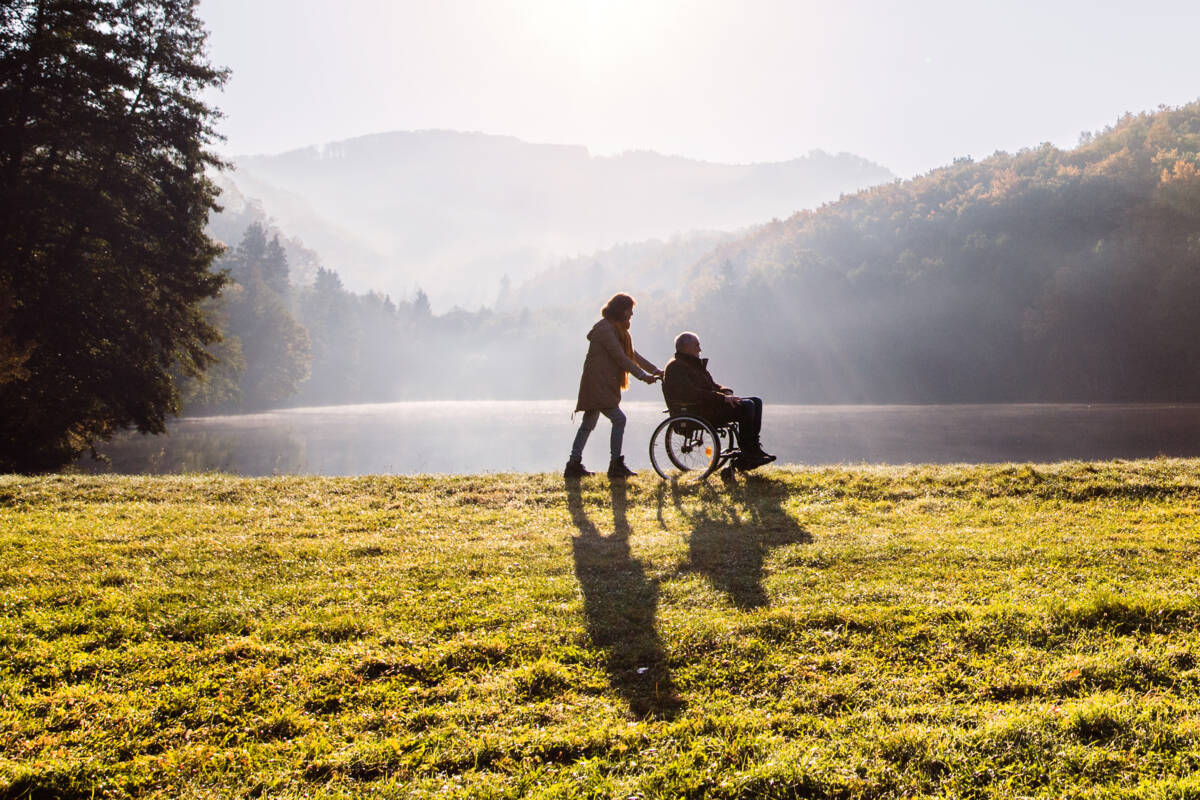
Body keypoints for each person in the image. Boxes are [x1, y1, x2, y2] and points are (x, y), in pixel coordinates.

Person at [566, 293, 662, 479]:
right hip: (598, 384)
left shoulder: (617, 330)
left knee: (588, 423)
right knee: (619, 419)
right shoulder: (605, 330)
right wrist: (642, 376)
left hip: (601, 384)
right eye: (630, 310)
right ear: (621, 310)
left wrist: (656, 370)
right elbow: (621, 357)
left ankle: (573, 464)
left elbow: (632, 354)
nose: (631, 315)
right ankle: (615, 464)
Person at [662, 331, 775, 470]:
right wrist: (723, 398)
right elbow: (691, 394)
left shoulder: (692, 364)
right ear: (685, 347)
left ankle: (753, 447)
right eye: (697, 345)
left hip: (706, 406)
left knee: (756, 401)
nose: (700, 349)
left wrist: (726, 391)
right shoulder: (676, 367)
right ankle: (748, 452)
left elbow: (712, 386)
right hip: (697, 412)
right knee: (747, 406)